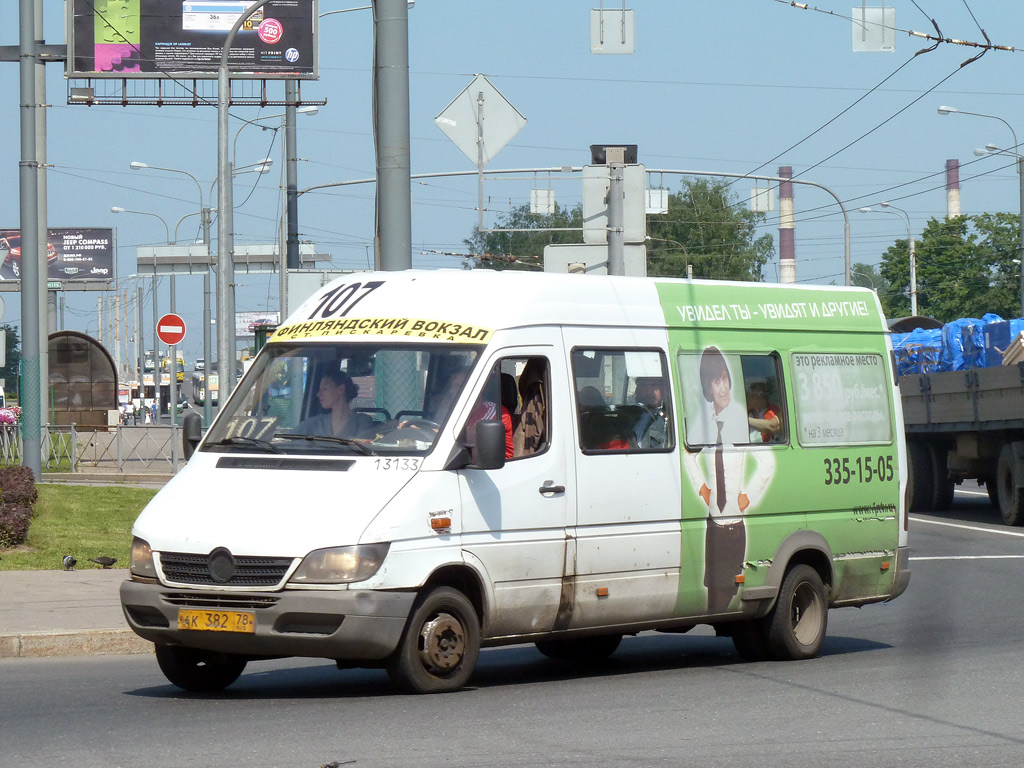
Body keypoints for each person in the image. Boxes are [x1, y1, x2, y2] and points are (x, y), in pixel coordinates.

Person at [683, 346, 775, 614]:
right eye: (716, 381)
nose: (723, 388)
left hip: (735, 528)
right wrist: (703, 490)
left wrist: (747, 497)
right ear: (707, 387)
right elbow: (689, 455)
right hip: (713, 527)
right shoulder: (705, 417)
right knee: (714, 600)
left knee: (725, 599)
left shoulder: (739, 417)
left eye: (725, 379)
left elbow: (767, 462)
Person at [295, 370, 373, 439]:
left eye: (325, 389)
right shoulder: (313, 423)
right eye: (320, 390)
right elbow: (286, 439)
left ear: (340, 389)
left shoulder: (362, 421)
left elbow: (362, 449)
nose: (318, 394)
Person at [633, 376, 669, 449]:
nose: (649, 392)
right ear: (637, 390)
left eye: (654, 386)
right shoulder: (628, 415)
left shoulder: (671, 418)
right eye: (643, 386)